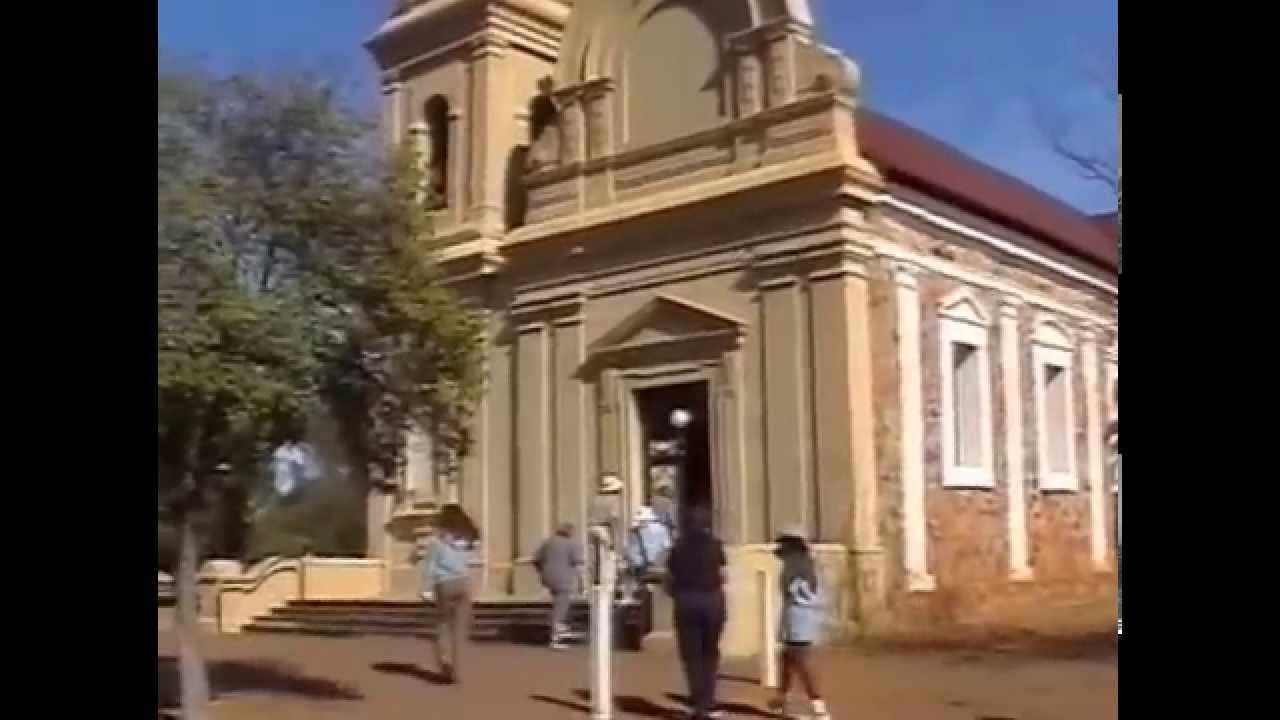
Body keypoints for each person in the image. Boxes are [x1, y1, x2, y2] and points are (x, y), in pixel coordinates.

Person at [665, 506, 726, 720]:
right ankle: (709, 701)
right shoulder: (715, 545)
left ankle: (697, 702)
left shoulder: (678, 547)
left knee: (691, 655)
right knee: (710, 652)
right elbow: (723, 573)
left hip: (686, 600)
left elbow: (669, 578)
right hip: (712, 600)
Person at [767, 524, 831, 720]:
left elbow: (801, 591)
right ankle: (781, 699)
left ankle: (818, 705)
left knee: (800, 662)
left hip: (799, 617)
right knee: (787, 658)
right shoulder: (802, 563)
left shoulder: (798, 566)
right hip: (797, 617)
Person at [419, 504, 480, 684]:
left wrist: (426, 588)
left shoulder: (437, 542)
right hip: (463, 582)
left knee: (443, 625)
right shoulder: (467, 540)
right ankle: (458, 669)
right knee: (460, 630)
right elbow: (472, 559)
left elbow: (430, 567)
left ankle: (445, 662)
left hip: (444, 584)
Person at [534, 522, 585, 650]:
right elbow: (578, 565)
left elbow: (536, 559)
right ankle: (555, 637)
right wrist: (582, 582)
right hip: (564, 579)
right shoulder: (573, 544)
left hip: (548, 577)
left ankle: (562, 630)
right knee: (561, 606)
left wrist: (542, 572)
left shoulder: (548, 542)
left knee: (559, 603)